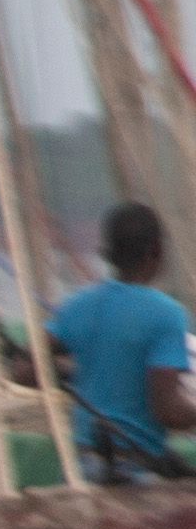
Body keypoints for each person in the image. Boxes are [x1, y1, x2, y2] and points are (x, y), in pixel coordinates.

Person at [51, 204, 194, 485]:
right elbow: (168, 411)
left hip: (81, 467)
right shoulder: (167, 314)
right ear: (157, 251)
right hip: (133, 472)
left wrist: (74, 372)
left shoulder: (79, 305)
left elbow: (27, 369)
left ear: (109, 254)